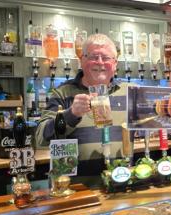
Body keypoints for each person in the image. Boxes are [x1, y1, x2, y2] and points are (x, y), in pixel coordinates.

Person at [36, 34, 127, 181]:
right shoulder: (62, 93)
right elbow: (41, 138)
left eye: (106, 58)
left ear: (115, 63)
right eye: (93, 57)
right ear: (82, 60)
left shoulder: (129, 92)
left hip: (121, 181)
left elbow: (155, 121)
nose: (100, 62)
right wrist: (71, 114)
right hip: (76, 188)